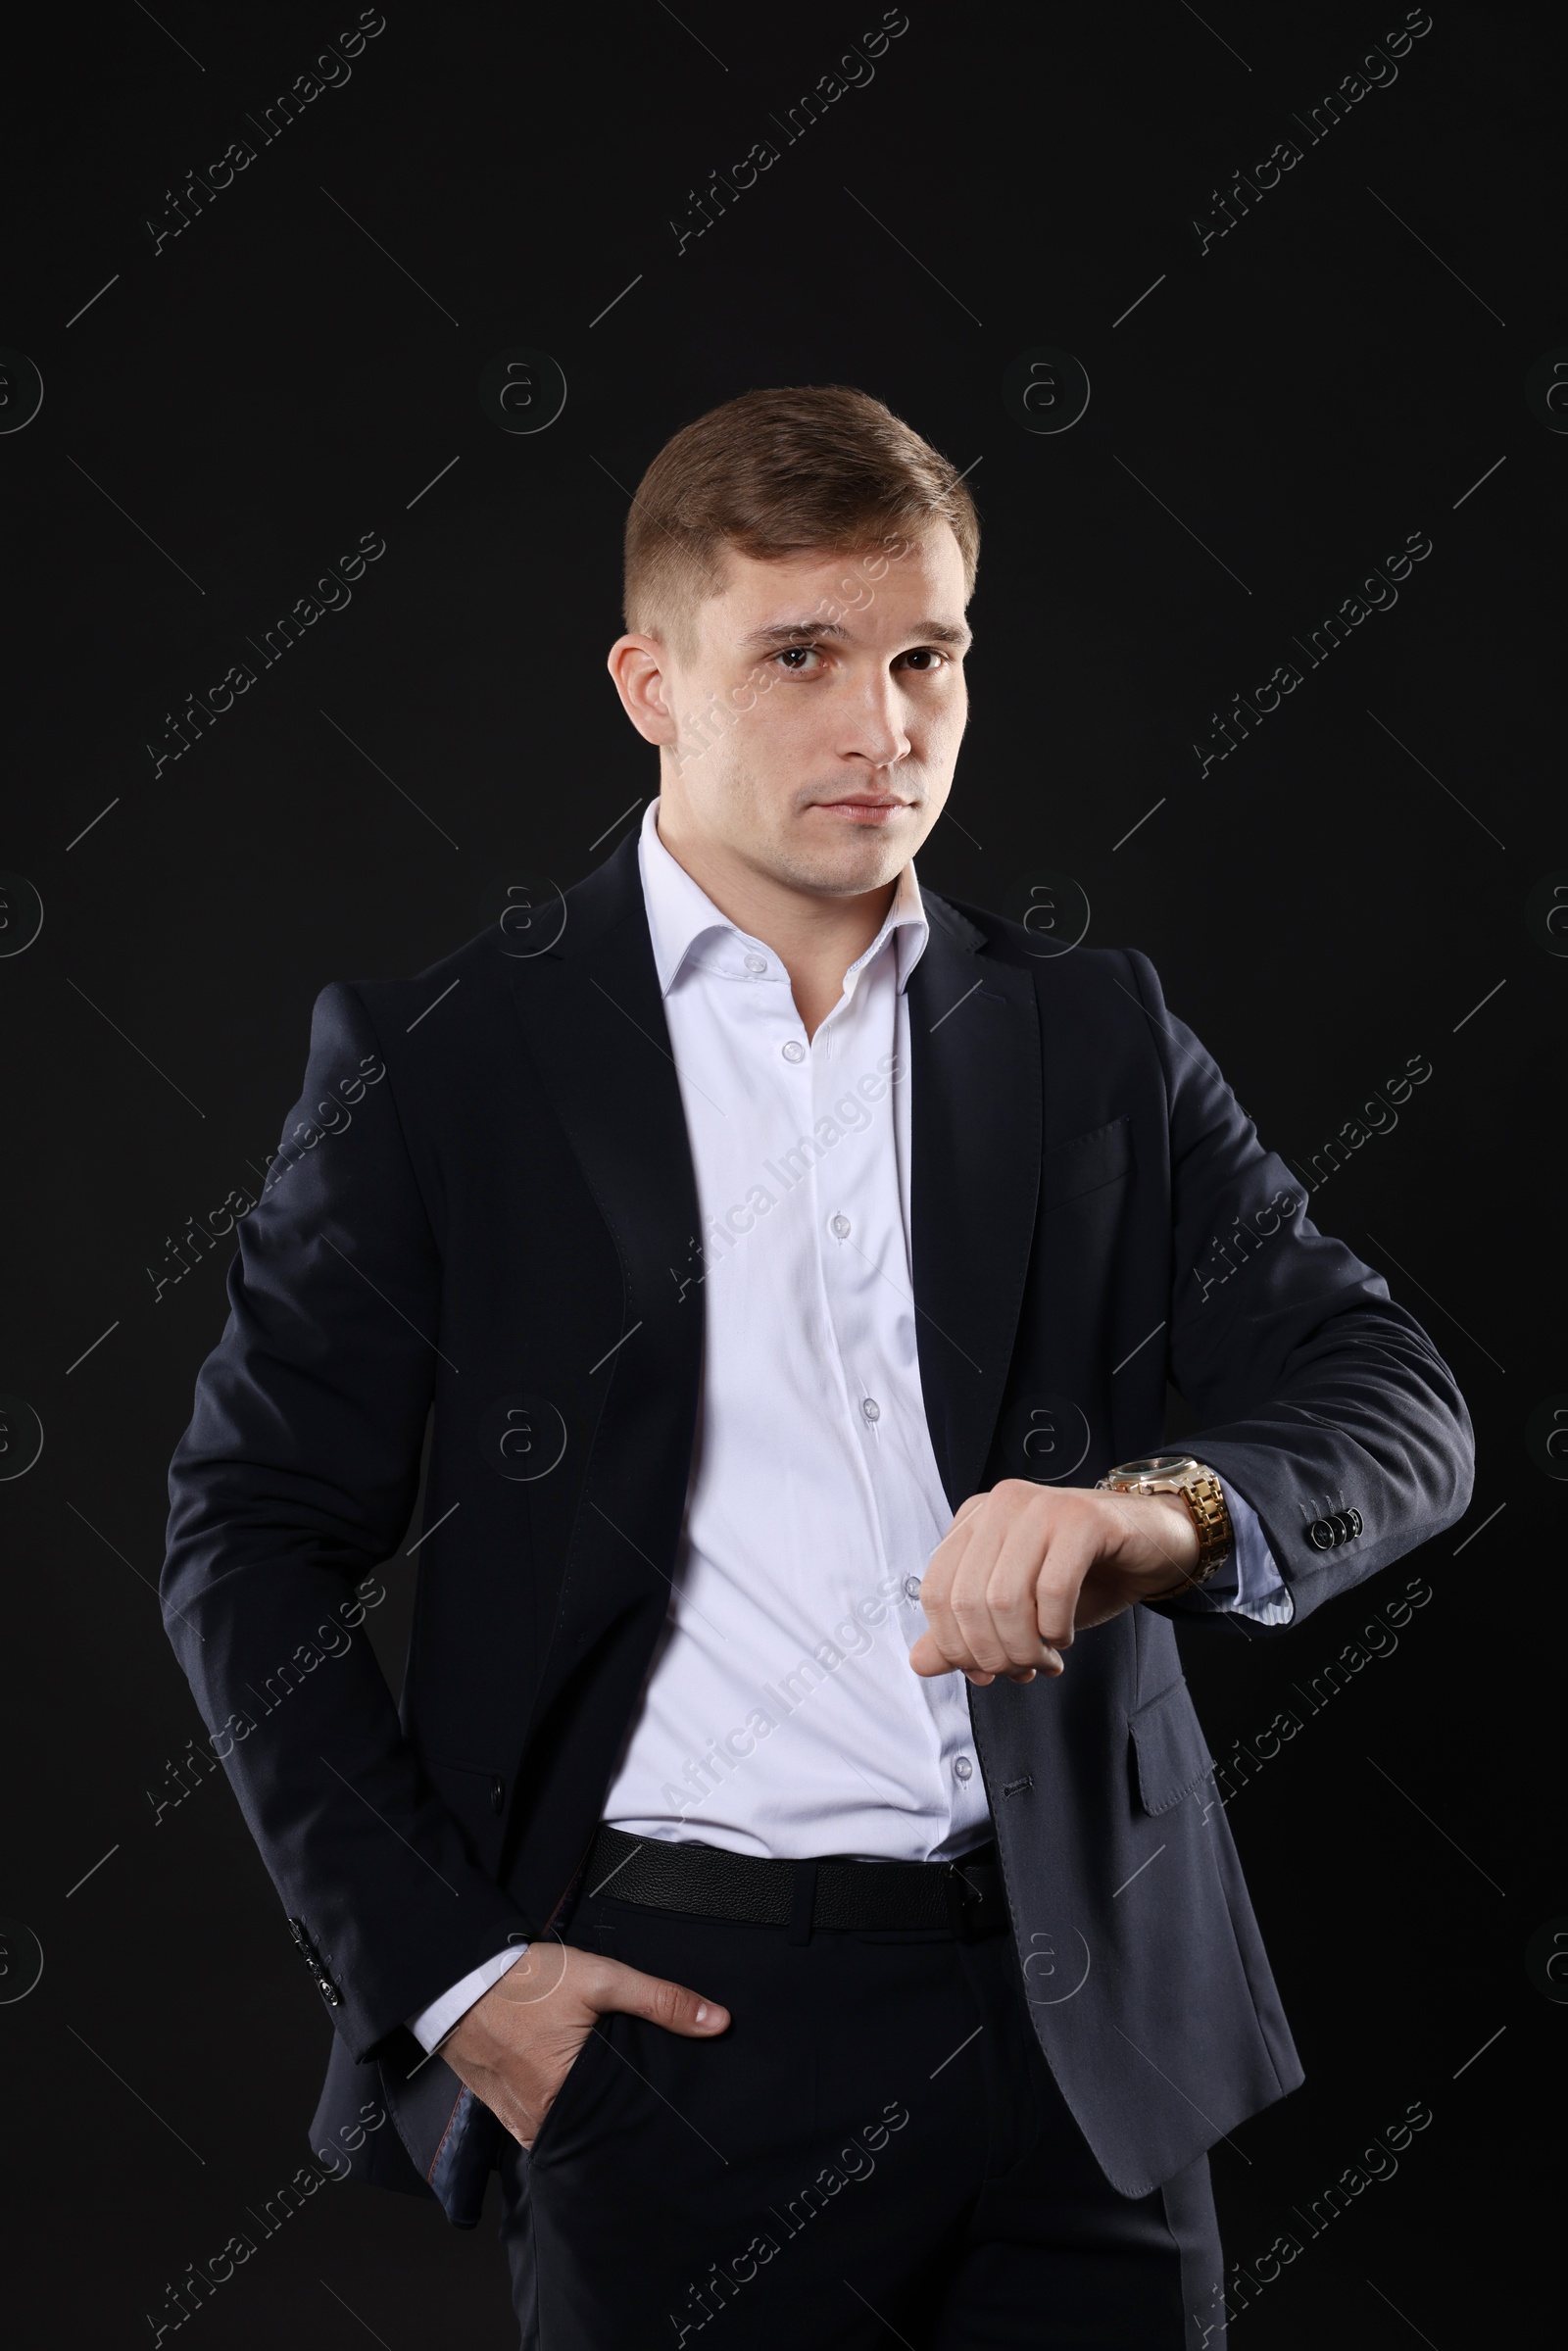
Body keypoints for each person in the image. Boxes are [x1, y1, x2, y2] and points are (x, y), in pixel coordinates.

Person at [162, 385, 1473, 2348]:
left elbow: (1391, 1397)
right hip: (674, 2050)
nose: (884, 721)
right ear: (649, 683)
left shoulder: (1092, 1038)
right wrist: (454, 1985)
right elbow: (248, 1536)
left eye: (923, 652)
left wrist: (1158, 1513)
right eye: (800, 655)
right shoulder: (445, 1068)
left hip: (1085, 2051)